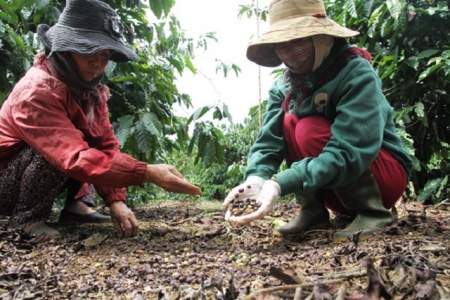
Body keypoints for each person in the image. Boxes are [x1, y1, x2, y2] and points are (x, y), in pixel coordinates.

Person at [0, 0, 201, 239]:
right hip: (6, 180)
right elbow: (71, 156)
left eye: (104, 54)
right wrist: (145, 172)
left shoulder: (91, 93)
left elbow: (106, 145)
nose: (97, 62)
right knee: (60, 150)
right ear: (64, 49)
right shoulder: (37, 91)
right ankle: (26, 219)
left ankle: (77, 205)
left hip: (32, 173)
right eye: (88, 51)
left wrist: (116, 200)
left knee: (90, 140)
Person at [223, 0, 412, 242]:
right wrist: (257, 179)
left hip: (382, 179)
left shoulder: (356, 74)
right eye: (280, 45)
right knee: (290, 121)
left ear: (323, 37)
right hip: (333, 190)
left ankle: (372, 213)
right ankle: (312, 210)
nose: (289, 52)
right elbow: (268, 141)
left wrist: (281, 183)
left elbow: (350, 149)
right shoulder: (284, 87)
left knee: (308, 129)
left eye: (297, 40)